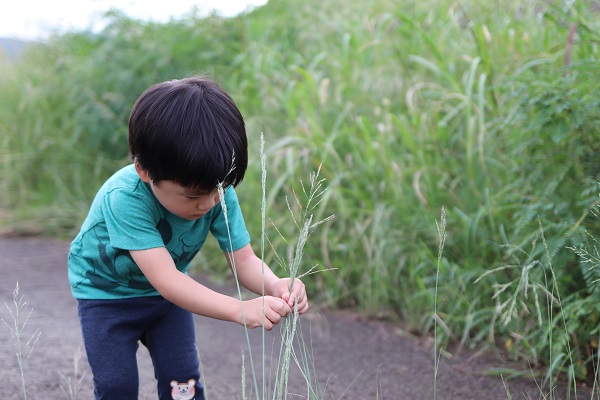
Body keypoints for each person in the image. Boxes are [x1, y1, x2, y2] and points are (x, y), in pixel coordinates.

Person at [67, 76, 309, 400]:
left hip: (168, 301)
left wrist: (276, 284)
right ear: (144, 171)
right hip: (106, 296)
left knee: (183, 383)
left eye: (219, 189)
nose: (209, 203)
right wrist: (240, 309)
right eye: (194, 195)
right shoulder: (125, 198)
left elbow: (245, 261)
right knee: (116, 387)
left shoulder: (216, 191)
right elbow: (167, 280)